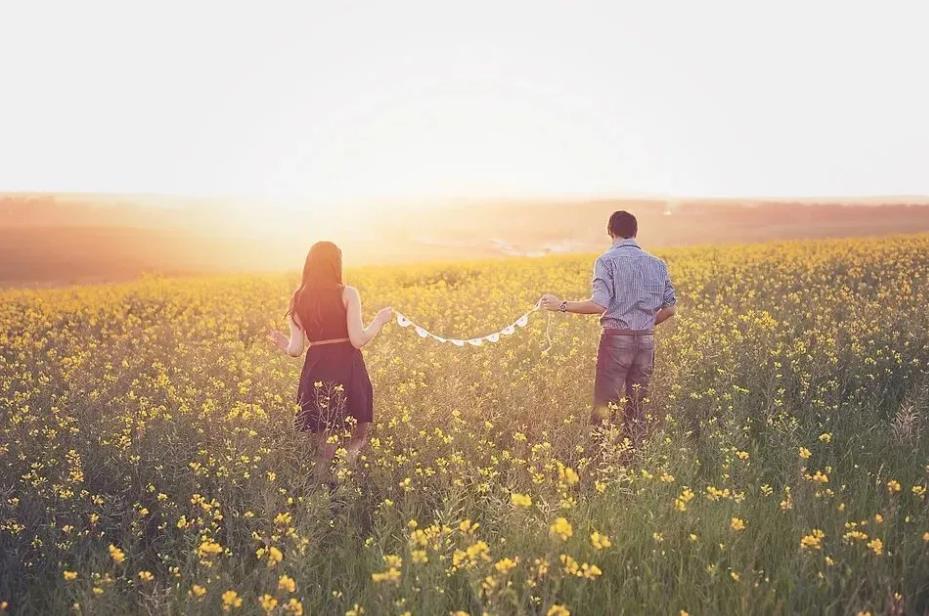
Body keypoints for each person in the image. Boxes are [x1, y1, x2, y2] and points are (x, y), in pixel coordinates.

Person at [540, 210, 676, 443]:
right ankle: (631, 459)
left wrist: (560, 305)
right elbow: (670, 309)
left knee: (605, 405)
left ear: (610, 231)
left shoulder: (607, 260)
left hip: (616, 342)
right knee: (636, 406)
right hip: (646, 341)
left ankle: (601, 459)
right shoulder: (658, 264)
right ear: (635, 232)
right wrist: (642, 323)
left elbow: (599, 303)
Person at [269, 241, 392, 481]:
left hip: (315, 371)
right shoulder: (347, 293)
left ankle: (321, 496)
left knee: (324, 448)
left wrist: (282, 342)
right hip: (347, 368)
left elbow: (295, 350)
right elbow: (358, 339)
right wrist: (379, 320)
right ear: (335, 263)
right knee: (357, 436)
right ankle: (341, 486)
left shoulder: (298, 297)